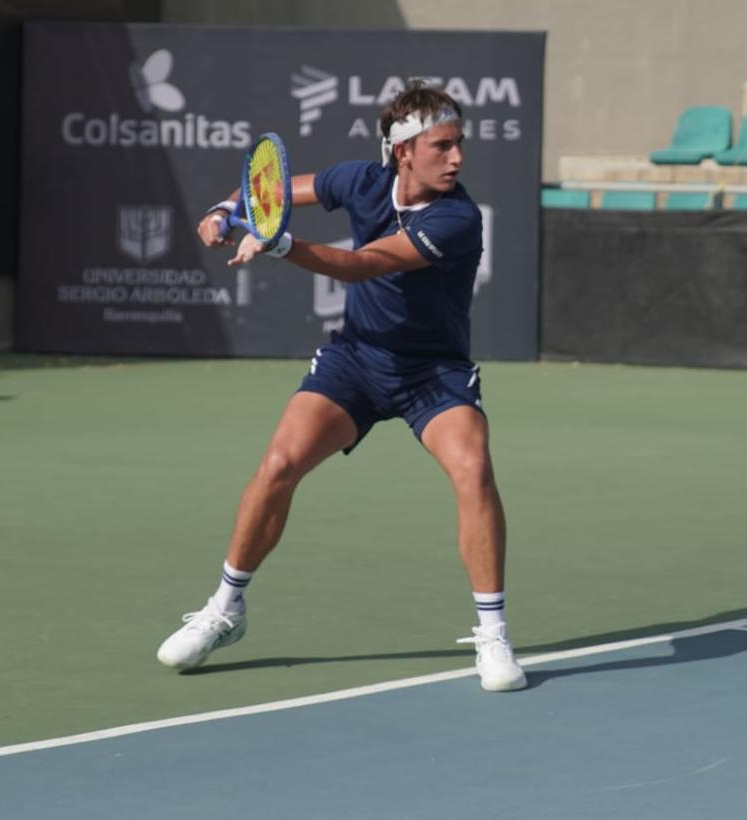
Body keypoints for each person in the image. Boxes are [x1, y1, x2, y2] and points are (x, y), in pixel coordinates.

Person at [156, 81, 527, 692]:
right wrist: (228, 212)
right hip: (356, 361)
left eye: (460, 144)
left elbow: (365, 265)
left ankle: (493, 636)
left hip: (431, 372)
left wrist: (281, 244)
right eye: (443, 145)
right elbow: (267, 192)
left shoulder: (458, 216)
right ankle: (226, 608)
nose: (458, 158)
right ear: (403, 151)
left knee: (473, 469)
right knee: (279, 463)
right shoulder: (359, 179)